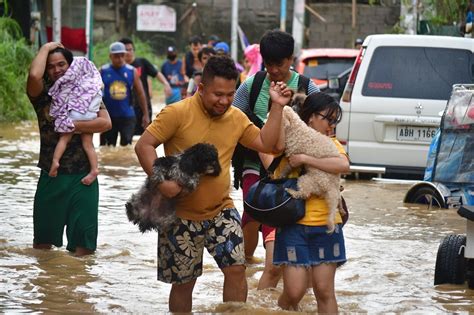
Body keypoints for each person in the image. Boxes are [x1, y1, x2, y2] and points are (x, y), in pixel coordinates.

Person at [134, 55, 293, 313]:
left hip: (221, 210)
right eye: (218, 94)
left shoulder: (237, 118)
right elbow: (143, 146)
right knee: (184, 284)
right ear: (201, 88)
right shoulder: (176, 112)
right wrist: (161, 184)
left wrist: (277, 107)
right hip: (178, 216)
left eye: (230, 94)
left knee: (236, 269)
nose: (224, 101)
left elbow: (269, 144)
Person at [232, 29, 319, 290]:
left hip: (292, 167)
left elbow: (319, 126)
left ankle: (269, 272)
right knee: (251, 213)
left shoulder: (306, 87)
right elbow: (233, 122)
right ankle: (247, 265)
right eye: (268, 64)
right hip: (252, 164)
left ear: (290, 59)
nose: (274, 70)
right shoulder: (251, 85)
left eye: (279, 64)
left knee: (277, 213)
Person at [26, 42, 112, 256]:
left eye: (62, 64)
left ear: (71, 65)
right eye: (51, 66)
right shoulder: (43, 94)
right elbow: (33, 76)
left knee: (84, 248)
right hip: (51, 175)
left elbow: (105, 123)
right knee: (42, 248)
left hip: (84, 177)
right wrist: (46, 47)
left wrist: (72, 126)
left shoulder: (84, 90)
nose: (57, 70)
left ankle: (77, 287)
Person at [269, 92, 349, 313]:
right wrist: (278, 107)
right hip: (293, 225)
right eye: (328, 119)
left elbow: (343, 165)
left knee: (324, 291)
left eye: (335, 121)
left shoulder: (331, 144)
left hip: (327, 225)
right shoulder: (288, 137)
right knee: (294, 292)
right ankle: (283, 307)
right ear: (311, 116)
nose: (331, 126)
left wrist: (305, 159)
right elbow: (272, 146)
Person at [48, 56, 103, 186]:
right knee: (88, 144)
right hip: (90, 116)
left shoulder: (71, 83)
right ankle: (94, 169)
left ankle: (55, 161)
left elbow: (61, 97)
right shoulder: (94, 84)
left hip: (75, 114)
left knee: (64, 139)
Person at [100, 41, 150, 146]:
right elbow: (95, 93)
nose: (120, 59)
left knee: (126, 147)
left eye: (122, 55)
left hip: (127, 117)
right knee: (107, 147)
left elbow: (141, 94)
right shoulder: (103, 71)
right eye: (116, 56)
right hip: (108, 118)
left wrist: (146, 115)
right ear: (110, 56)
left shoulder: (132, 71)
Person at [119, 37, 172, 135]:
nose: (128, 52)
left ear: (134, 50)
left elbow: (156, 73)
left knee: (144, 136)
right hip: (126, 107)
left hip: (143, 107)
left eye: (130, 49)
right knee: (127, 138)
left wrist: (166, 84)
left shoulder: (142, 62)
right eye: (125, 50)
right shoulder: (118, 68)